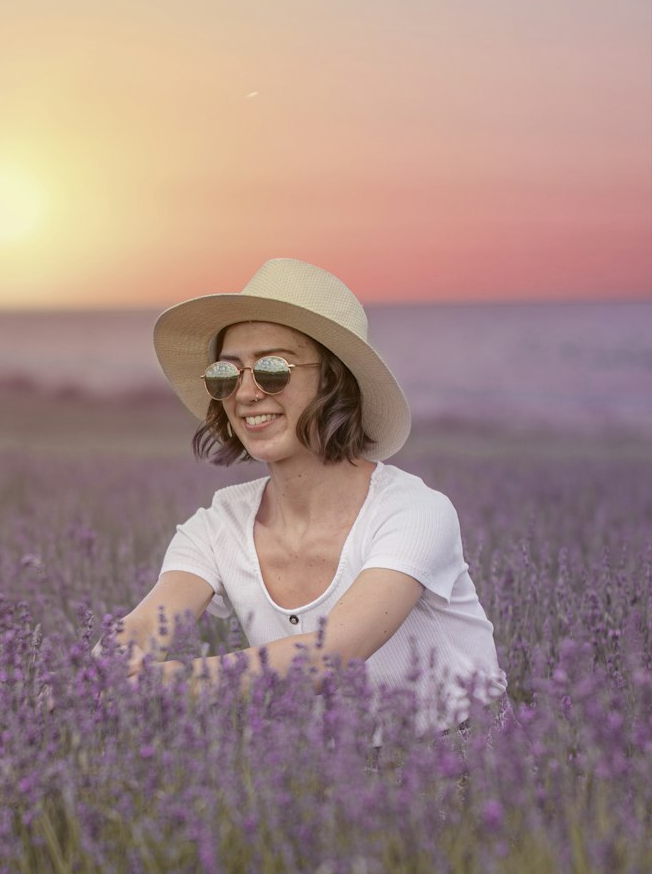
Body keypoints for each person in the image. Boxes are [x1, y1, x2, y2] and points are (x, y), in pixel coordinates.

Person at [110, 257, 506, 731]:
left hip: (463, 772)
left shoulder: (415, 511)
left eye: (273, 369)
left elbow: (332, 653)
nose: (247, 393)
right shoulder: (218, 525)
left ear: (334, 381)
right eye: (227, 374)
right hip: (317, 776)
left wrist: (161, 684)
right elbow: (147, 625)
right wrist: (89, 676)